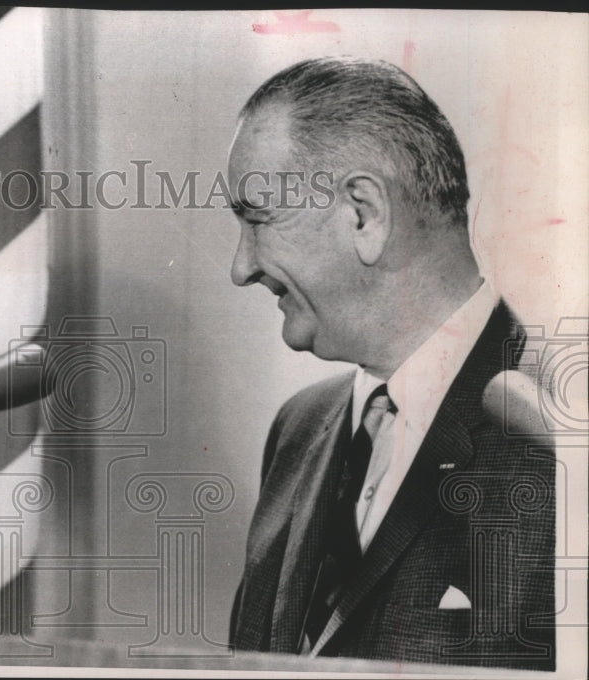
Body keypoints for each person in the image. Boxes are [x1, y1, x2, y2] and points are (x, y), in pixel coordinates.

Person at [225, 57, 555, 670]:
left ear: (364, 213)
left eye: (257, 219)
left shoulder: (562, 431)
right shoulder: (299, 427)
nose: (240, 268)